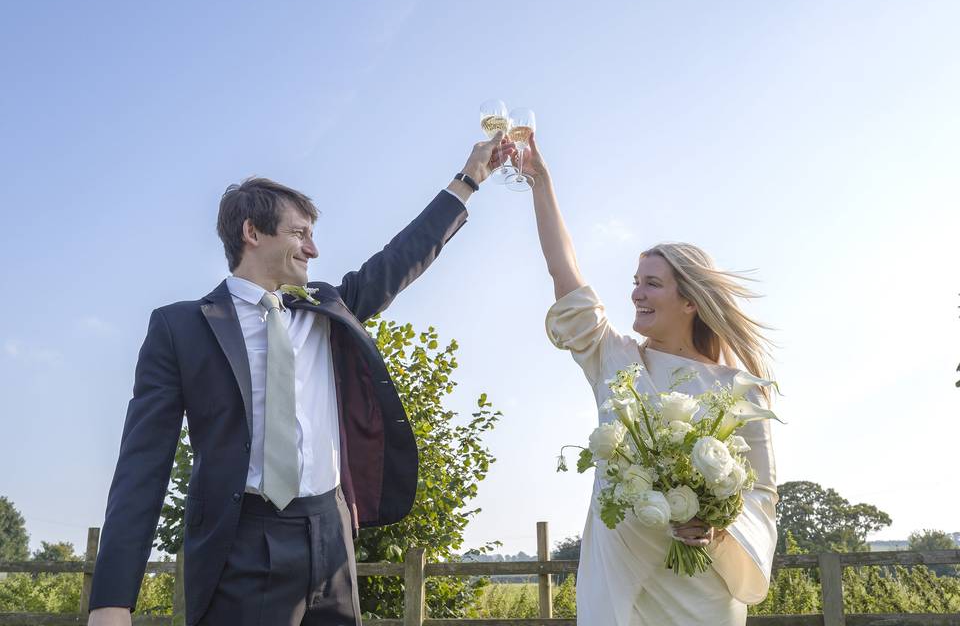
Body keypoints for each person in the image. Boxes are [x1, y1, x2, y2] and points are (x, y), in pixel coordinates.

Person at [87, 133, 516, 626]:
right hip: (242, 545)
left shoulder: (326, 307)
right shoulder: (179, 328)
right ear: (252, 232)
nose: (313, 248)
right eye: (300, 233)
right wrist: (112, 600)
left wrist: (468, 180)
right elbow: (142, 466)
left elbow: (400, 258)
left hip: (332, 538)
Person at [522, 133, 778, 625]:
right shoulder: (614, 359)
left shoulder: (742, 388)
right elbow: (565, 274)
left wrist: (718, 527)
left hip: (700, 591)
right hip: (618, 582)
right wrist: (541, 182)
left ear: (690, 301)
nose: (636, 292)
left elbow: (761, 495)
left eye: (652, 283)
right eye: (636, 281)